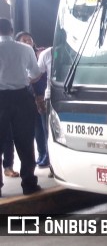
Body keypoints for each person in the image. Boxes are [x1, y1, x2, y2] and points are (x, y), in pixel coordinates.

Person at [0, 18, 42, 196]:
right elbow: (36, 74)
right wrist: (24, 80)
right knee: (25, 142)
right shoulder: (25, 49)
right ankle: (29, 184)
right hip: (22, 97)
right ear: (11, 30)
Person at [15, 32, 49, 168]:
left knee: (45, 126)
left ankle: (48, 155)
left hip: (43, 94)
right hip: (29, 95)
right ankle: (41, 154)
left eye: (29, 39)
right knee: (37, 129)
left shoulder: (42, 53)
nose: (28, 41)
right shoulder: (19, 56)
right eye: (24, 40)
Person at [37, 45, 54, 178]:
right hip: (51, 97)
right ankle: (53, 165)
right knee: (50, 133)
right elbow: (36, 75)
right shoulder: (46, 54)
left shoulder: (77, 49)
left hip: (75, 94)